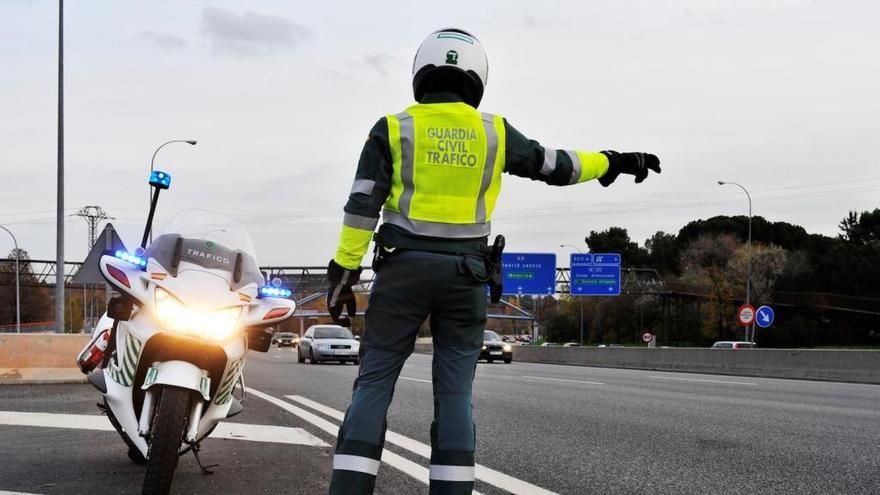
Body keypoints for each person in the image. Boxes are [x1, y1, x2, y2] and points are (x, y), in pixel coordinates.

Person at [325, 28, 660, 494]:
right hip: (466, 277)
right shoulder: (493, 132)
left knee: (375, 382)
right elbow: (556, 165)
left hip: (402, 272)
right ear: (477, 77)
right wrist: (612, 162)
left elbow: (362, 205)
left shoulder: (393, 127)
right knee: (455, 394)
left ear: (421, 73)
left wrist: (343, 271)